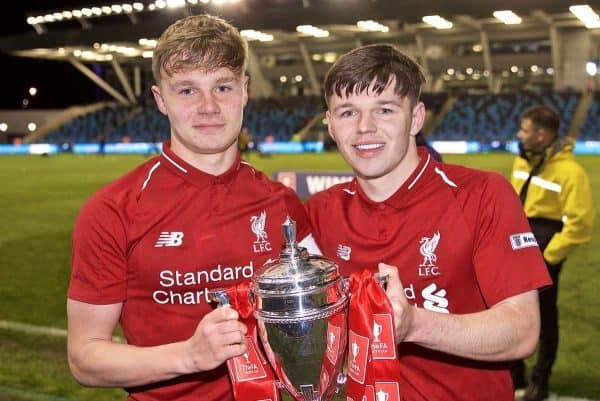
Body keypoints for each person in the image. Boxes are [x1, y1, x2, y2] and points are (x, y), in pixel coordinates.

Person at [66, 14, 319, 401]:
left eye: (222, 86)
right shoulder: (113, 210)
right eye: (187, 90)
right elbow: (85, 358)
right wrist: (189, 356)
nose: (208, 106)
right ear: (159, 100)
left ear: (245, 90)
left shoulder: (282, 205)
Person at [304, 44, 552, 401]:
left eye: (385, 110)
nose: (364, 128)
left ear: (416, 118)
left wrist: (415, 324)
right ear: (329, 123)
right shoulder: (319, 212)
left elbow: (523, 330)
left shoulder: (481, 194)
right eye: (347, 113)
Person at [509, 105, 595, 401]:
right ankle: (513, 371)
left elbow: (581, 224)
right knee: (508, 309)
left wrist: (548, 257)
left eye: (525, 129)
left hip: (545, 245)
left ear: (542, 135)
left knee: (544, 316)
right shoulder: (523, 161)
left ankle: (539, 380)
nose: (520, 134)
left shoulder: (571, 172)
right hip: (517, 243)